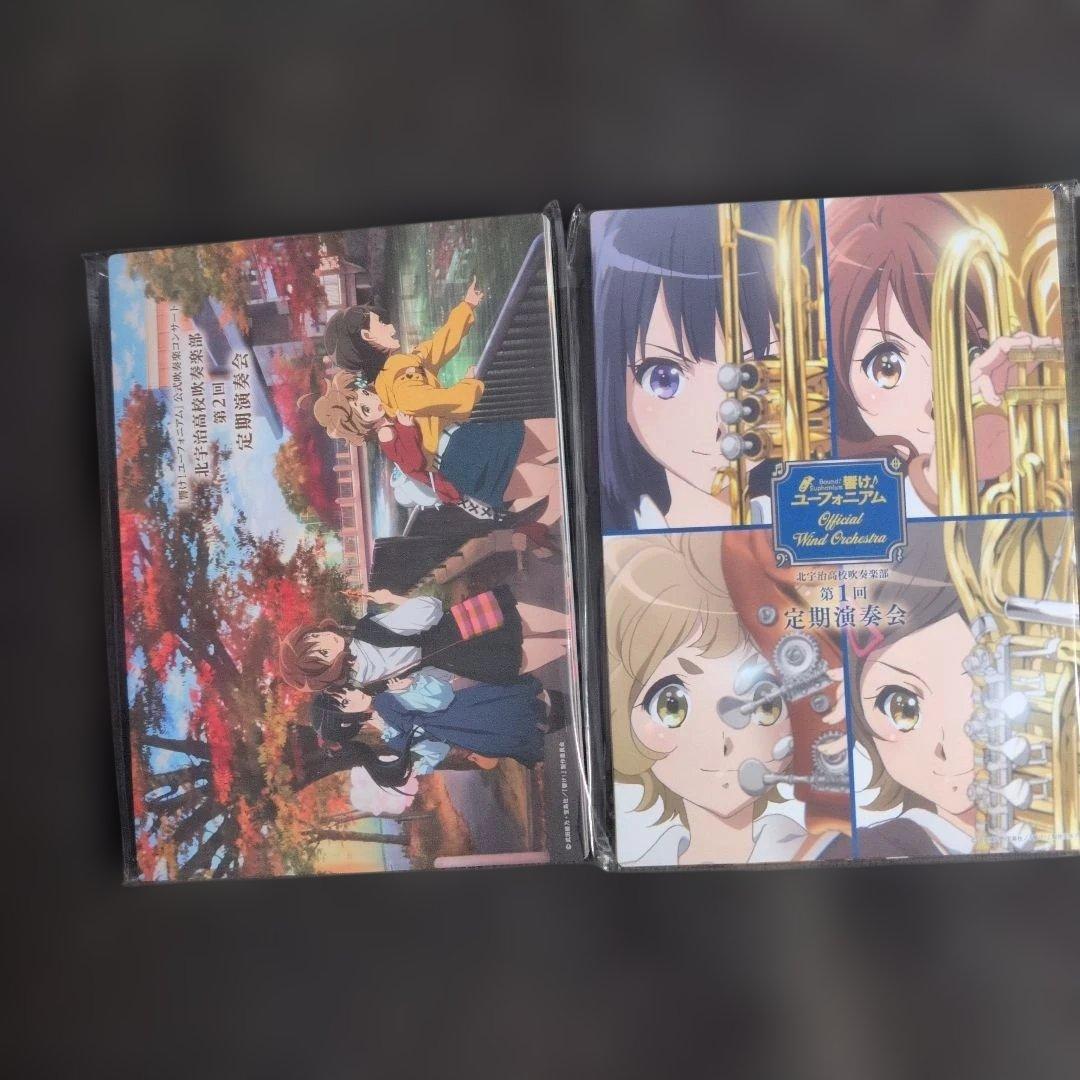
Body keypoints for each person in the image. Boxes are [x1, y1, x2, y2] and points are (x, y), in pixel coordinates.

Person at [605, 531, 840, 866]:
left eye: (767, 703)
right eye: (672, 706)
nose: (723, 741)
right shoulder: (630, 863)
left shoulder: (831, 852)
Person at [825, 194, 1061, 517]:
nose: (937, 397)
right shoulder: (827, 495)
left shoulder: (1020, 470)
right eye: (887, 367)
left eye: (970, 351)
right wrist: (938, 480)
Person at [591, 203, 785, 531]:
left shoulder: (809, 524)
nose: (720, 424)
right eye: (664, 378)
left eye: (755, 376)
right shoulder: (620, 535)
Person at [278, 587, 567, 694]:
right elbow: (428, 610)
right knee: (532, 620)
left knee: (531, 656)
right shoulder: (366, 632)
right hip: (457, 625)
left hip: (459, 662)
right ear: (324, 670)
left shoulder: (365, 684)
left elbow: (424, 678)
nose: (326, 639)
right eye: (320, 652)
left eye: (315, 636)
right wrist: (392, 599)